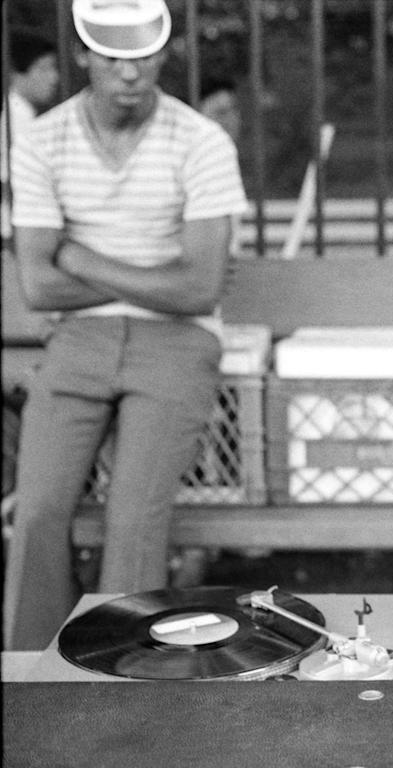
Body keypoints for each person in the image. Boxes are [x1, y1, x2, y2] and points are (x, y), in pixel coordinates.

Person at [3, 0, 247, 649]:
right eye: (112, 56)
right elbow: (37, 285)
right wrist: (155, 277)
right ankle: (29, 671)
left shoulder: (201, 141)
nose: (130, 72)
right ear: (83, 54)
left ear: (163, 55)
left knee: (134, 517)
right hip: (78, 342)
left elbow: (199, 289)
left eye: (142, 55)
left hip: (178, 343)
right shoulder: (42, 140)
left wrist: (80, 257)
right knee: (38, 511)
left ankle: (121, 671)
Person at [2, 29, 60, 241]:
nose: (54, 78)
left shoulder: (22, 114)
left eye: (54, 68)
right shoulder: (15, 119)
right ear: (16, 73)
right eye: (43, 68)